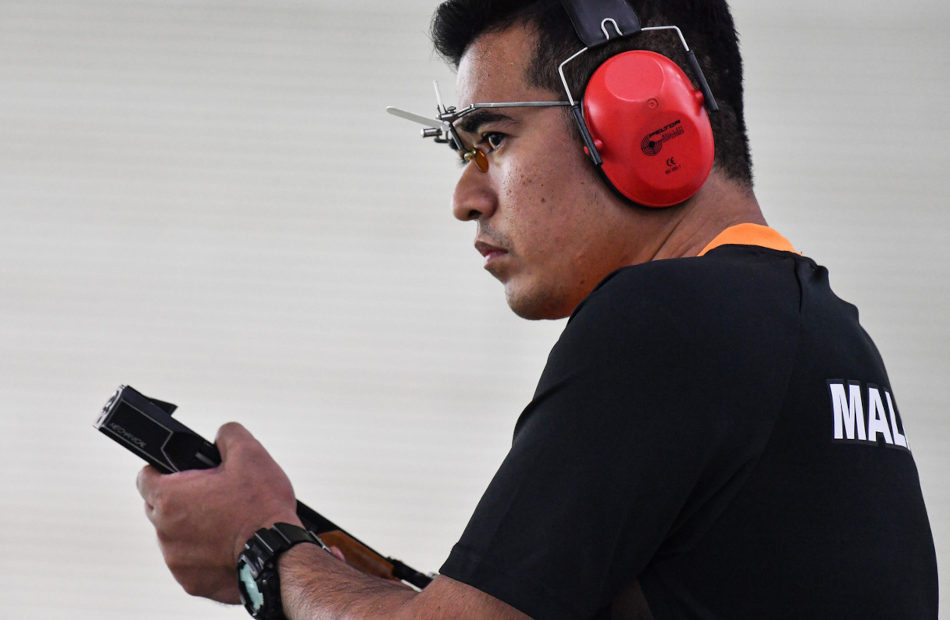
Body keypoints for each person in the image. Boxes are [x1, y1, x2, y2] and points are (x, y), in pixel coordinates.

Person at [136, 0, 939, 618]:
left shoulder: (664, 318)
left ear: (644, 116)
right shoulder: (828, 335)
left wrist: (262, 546)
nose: (465, 196)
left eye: (494, 137)